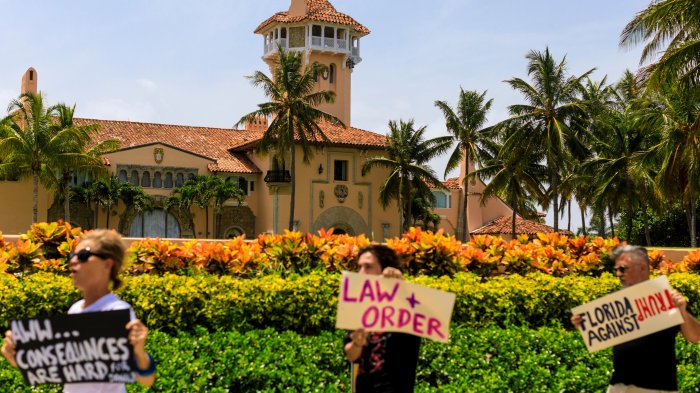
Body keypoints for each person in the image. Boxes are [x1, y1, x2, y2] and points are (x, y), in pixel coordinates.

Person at [1, 229, 156, 392]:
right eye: (72, 255)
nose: (73, 260)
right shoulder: (76, 309)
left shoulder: (117, 311)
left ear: (107, 264)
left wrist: (139, 352)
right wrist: (21, 358)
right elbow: (67, 366)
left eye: (82, 255)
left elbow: (146, 380)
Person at [572, 244, 700, 393]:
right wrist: (584, 324)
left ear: (642, 268)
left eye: (623, 269)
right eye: (617, 270)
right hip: (618, 388)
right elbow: (601, 332)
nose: (619, 274)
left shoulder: (666, 298)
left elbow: (695, 336)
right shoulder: (617, 301)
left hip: (656, 388)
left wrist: (682, 312)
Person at [344, 244, 421, 393]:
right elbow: (351, 356)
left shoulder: (405, 306)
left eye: (368, 267)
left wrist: (400, 287)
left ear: (385, 268)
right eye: (359, 267)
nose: (361, 273)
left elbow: (422, 315)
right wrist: (356, 343)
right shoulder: (359, 308)